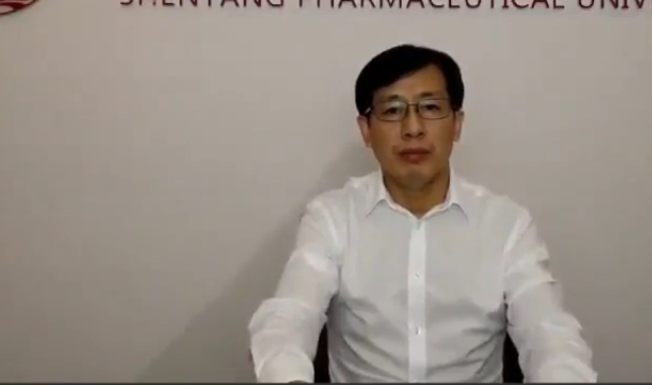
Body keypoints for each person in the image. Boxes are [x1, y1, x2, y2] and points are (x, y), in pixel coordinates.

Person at [247, 44, 597, 383]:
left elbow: (548, 333)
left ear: (457, 124)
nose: (413, 128)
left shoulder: (506, 225)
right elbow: (290, 318)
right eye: (392, 110)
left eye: (430, 107)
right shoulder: (332, 218)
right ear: (366, 130)